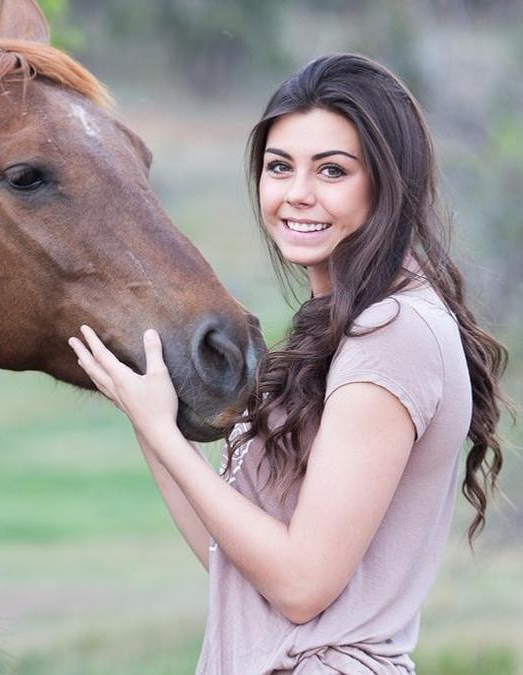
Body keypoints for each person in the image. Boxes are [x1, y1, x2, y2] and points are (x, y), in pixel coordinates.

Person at [68, 53, 509, 674]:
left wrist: (165, 433)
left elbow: (302, 585)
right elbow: (235, 565)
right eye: (280, 168)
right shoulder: (344, 325)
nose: (297, 195)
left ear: (387, 182)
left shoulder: (394, 331)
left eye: (332, 171)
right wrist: (149, 421)